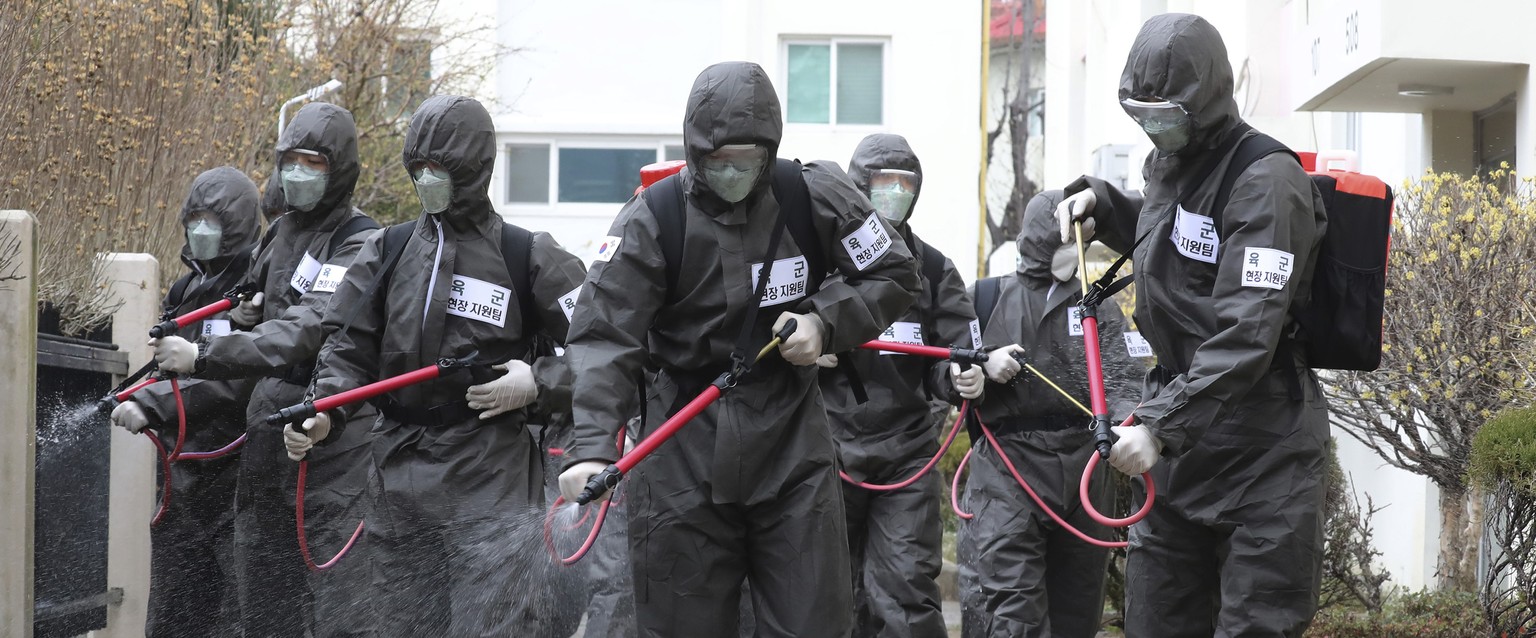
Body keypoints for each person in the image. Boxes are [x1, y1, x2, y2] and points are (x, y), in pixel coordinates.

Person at [557, 61, 922, 638]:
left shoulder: (812, 193)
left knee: (813, 623)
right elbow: (604, 336)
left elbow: (895, 273)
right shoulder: (653, 219)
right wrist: (592, 449)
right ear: (695, 153)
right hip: (681, 447)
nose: (734, 173)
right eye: (719, 162)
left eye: (748, 161)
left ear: (770, 148)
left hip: (792, 447)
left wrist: (825, 323)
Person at [1056, 13, 1330, 637]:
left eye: (1166, 115)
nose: (1154, 128)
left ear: (1204, 101)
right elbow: (1181, 246)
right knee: (1155, 622)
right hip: (1183, 446)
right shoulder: (1171, 166)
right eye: (1140, 114)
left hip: (1265, 449)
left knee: (1256, 626)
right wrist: (1105, 202)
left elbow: (1248, 331)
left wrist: (1158, 426)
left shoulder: (1266, 180)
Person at [292, 95, 589, 634]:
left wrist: (538, 384)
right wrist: (323, 412)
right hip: (397, 480)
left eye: (440, 168)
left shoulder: (529, 255)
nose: (427, 180)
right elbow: (347, 348)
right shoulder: (389, 250)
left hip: (489, 476)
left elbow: (604, 353)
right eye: (419, 169)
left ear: (474, 170)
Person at [149, 102, 381, 638]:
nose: (297, 173)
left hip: (329, 447)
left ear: (339, 167)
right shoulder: (280, 234)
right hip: (264, 445)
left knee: (334, 607)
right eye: (289, 160)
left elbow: (309, 326)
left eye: (313, 162)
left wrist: (206, 355)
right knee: (260, 602)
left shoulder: (361, 241)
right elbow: (253, 302)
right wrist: (245, 309)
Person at [816, 133, 994, 638]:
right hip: (827, 450)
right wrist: (809, 353)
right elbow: (774, 340)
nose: (893, 191)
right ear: (857, 186)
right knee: (822, 590)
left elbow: (954, 353)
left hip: (908, 456)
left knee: (906, 588)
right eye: (881, 182)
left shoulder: (934, 270)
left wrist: (962, 376)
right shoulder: (822, 264)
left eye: (904, 183)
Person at [953, 190, 1144, 637]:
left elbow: (1130, 375)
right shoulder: (985, 298)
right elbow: (947, 364)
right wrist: (974, 371)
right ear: (1042, 236)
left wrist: (1127, 423)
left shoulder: (1099, 306)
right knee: (1012, 605)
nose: (1073, 252)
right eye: (1067, 239)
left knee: (1077, 607)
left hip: (1085, 469)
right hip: (1007, 470)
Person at [110, 166, 260, 637]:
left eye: (212, 220)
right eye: (193, 219)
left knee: (233, 614)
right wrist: (143, 394)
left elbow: (238, 381)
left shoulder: (256, 292)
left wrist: (153, 406)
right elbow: (166, 371)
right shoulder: (185, 290)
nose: (200, 230)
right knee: (175, 611)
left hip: (236, 479)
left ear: (235, 225)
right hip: (182, 481)